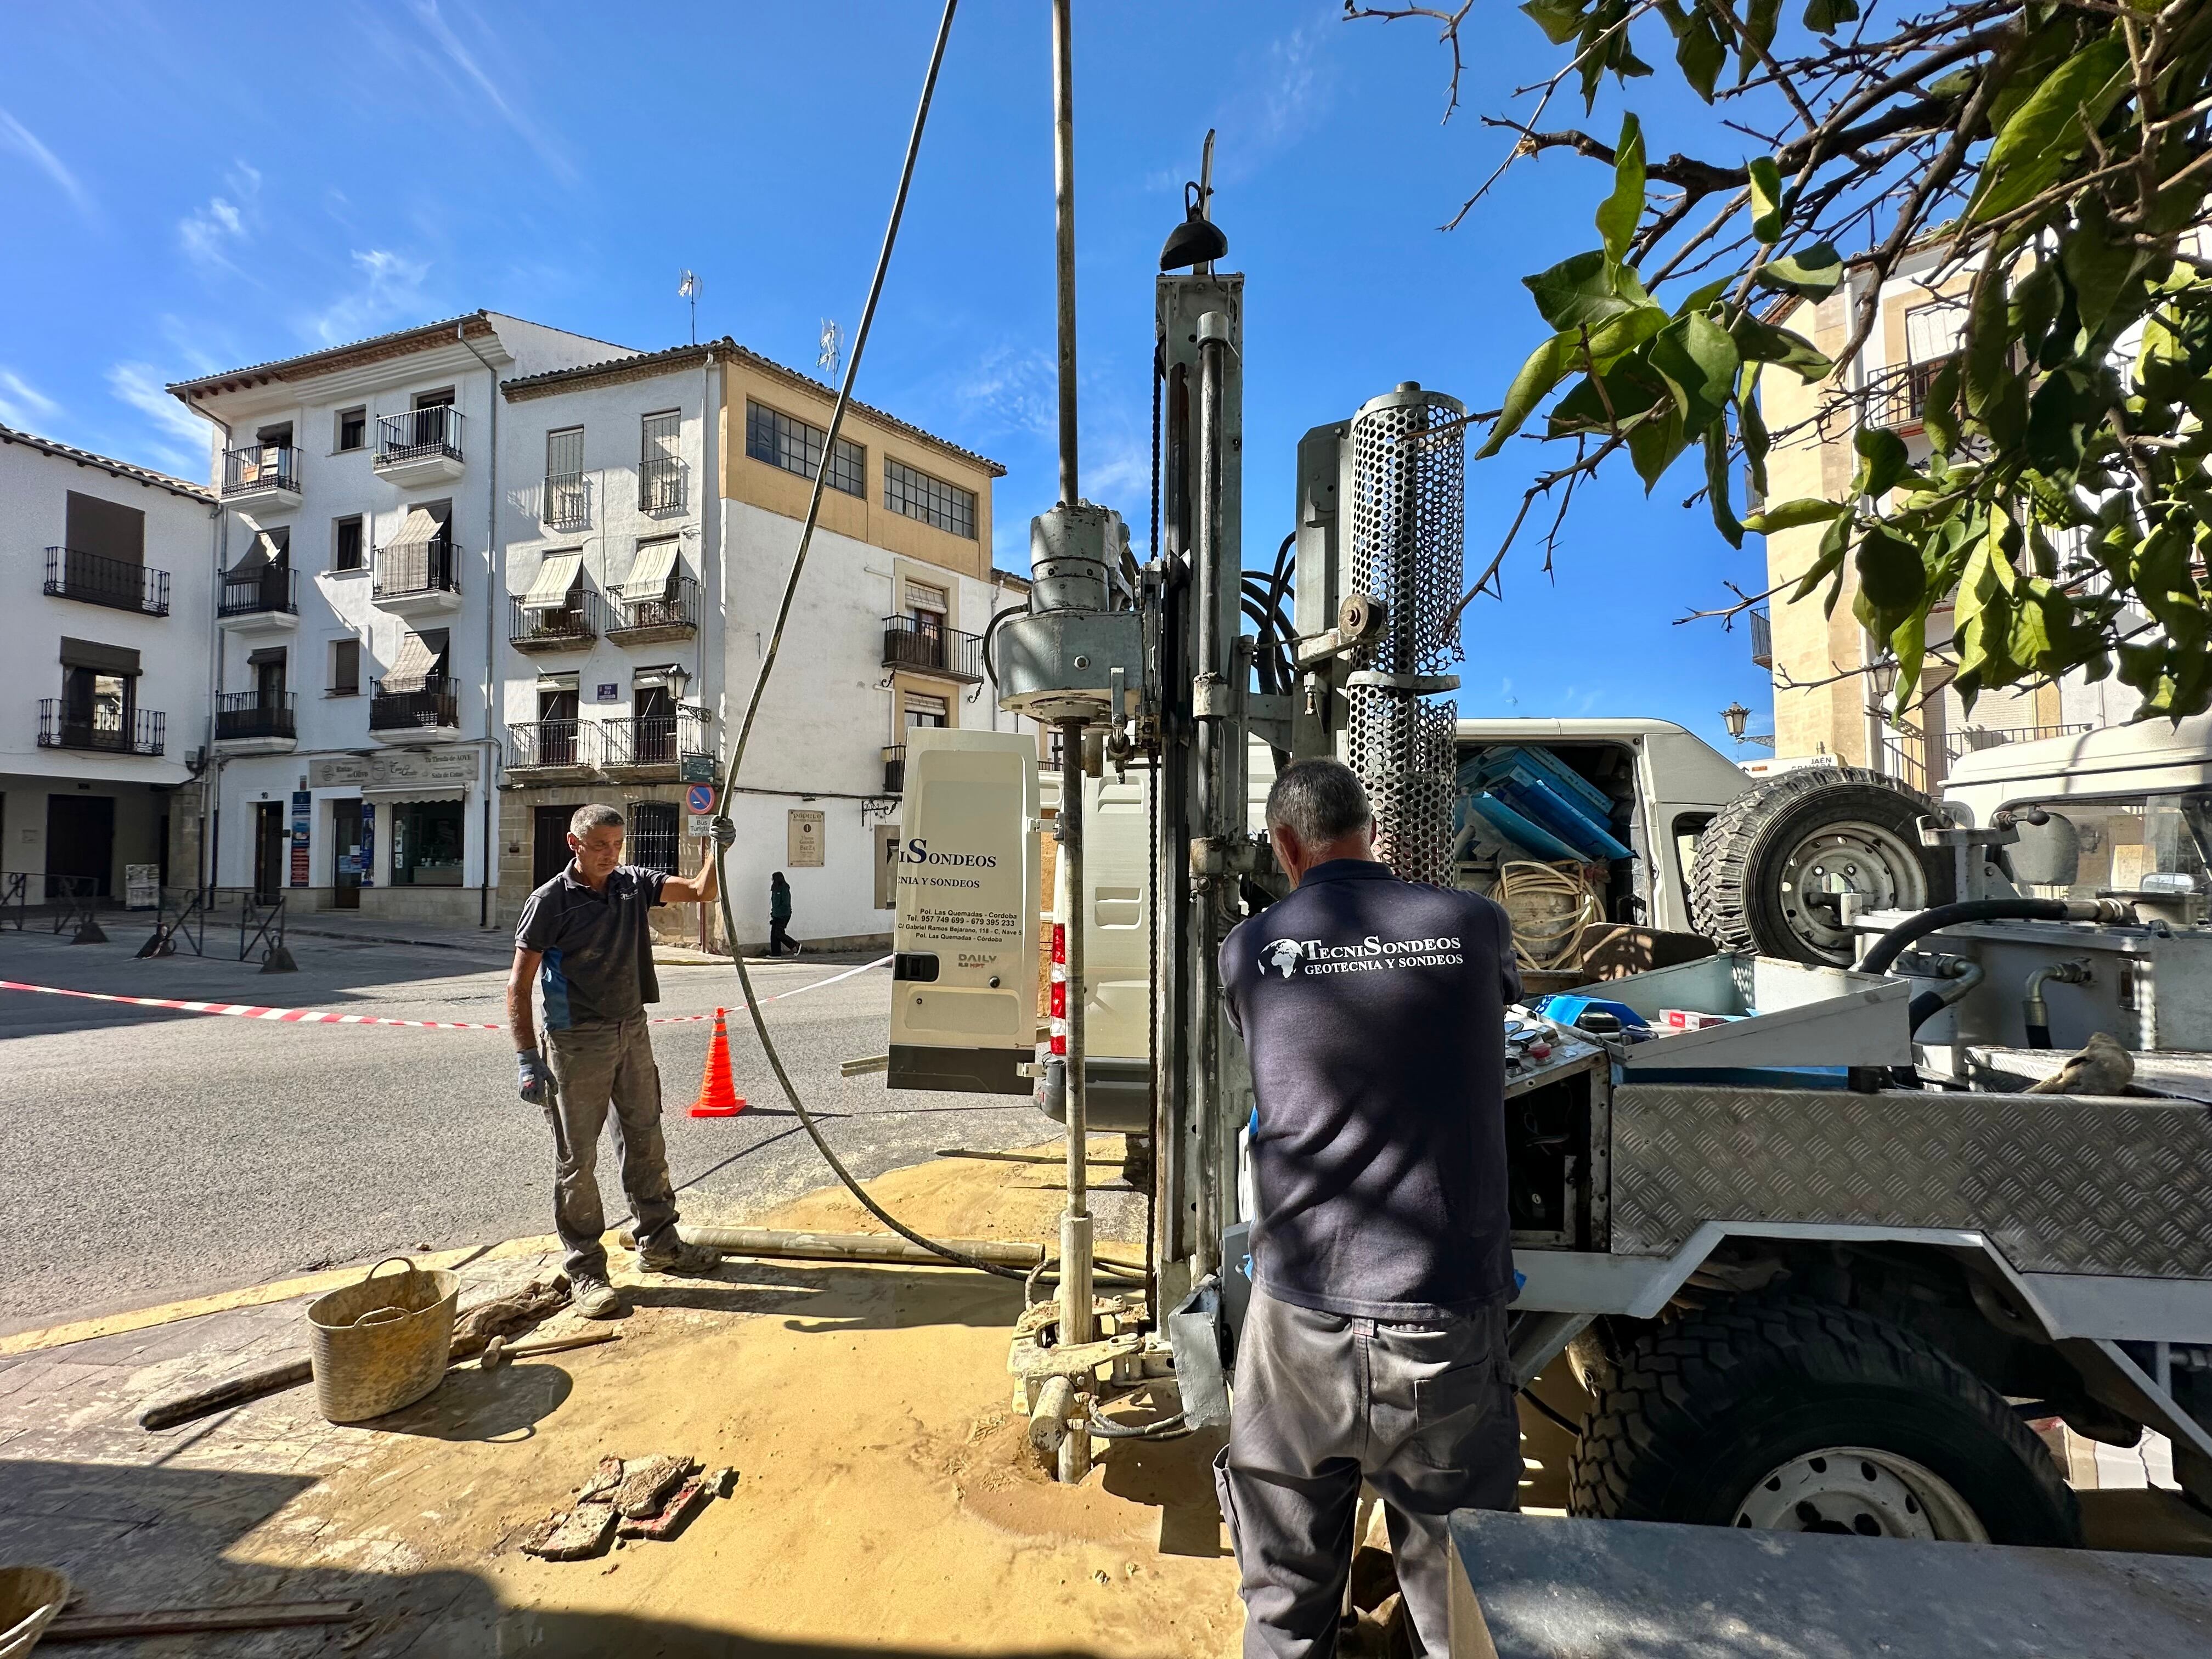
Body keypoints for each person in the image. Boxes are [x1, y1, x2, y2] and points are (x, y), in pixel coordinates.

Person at [1215, 758, 1523, 1659]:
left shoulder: (1248, 949)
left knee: (1282, 1602)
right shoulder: (1471, 925)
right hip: (1440, 1322)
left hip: (1298, 1317)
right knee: (1457, 1608)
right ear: (1371, 831)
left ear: (1285, 844)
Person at [508, 803, 730, 1318]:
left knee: (646, 1138)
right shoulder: (550, 902)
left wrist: (717, 852)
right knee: (577, 1161)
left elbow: (702, 893)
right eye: (599, 846)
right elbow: (518, 986)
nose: (610, 855)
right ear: (574, 844)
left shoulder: (633, 884)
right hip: (575, 1041)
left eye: (616, 845)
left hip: (632, 1029)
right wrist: (527, 1057)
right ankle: (586, 1270)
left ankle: (660, 1244)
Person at [768, 870, 799, 958]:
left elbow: (785, 903)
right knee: (774, 934)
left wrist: (779, 913)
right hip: (776, 915)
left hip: (783, 915)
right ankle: (776, 954)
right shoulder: (775, 889)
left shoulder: (784, 888)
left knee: (779, 933)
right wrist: (773, 913)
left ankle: (795, 945)